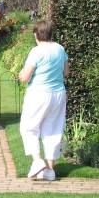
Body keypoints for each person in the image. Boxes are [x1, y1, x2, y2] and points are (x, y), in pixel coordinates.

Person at [18, 20, 69, 182]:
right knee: (53, 130)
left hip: (39, 93)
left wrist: (20, 74)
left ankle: (37, 160)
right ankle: (50, 170)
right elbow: (66, 72)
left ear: (36, 35)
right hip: (58, 94)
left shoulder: (36, 51)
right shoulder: (60, 49)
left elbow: (25, 77)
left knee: (28, 127)